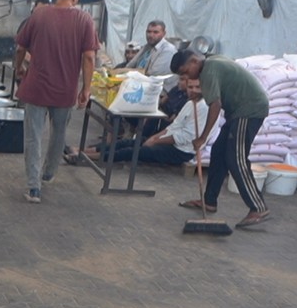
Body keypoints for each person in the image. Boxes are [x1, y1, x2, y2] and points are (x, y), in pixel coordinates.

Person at [12, 0, 99, 203]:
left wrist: (18, 68)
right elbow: (89, 57)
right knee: (58, 133)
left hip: (36, 87)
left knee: (33, 137)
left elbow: (21, 47)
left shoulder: (39, 15)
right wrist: (86, 88)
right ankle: (49, 173)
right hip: (65, 89)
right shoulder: (85, 20)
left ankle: (33, 188)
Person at [172, 49, 271, 227]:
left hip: (249, 111)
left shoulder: (209, 69)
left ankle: (258, 207)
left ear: (194, 61)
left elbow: (215, 106)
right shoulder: (209, 64)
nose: (186, 77)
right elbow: (218, 92)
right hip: (239, 112)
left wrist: (202, 138)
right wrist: (200, 95)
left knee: (236, 158)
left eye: (186, 72)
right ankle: (209, 201)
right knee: (219, 152)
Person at [66, 76, 216, 165]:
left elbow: (185, 137)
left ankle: (84, 158)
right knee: (126, 142)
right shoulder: (190, 103)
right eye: (190, 87)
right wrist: (155, 137)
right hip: (169, 139)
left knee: (132, 151)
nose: (193, 90)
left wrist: (156, 141)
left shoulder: (204, 108)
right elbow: (174, 126)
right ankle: (82, 151)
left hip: (181, 151)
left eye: (197, 87)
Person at [127, 21, 178, 89]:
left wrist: (126, 72)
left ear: (164, 33)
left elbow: (152, 75)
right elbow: (130, 64)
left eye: (155, 32)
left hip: (158, 92)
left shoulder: (168, 50)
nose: (151, 35)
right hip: (139, 85)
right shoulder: (148, 47)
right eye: (149, 32)